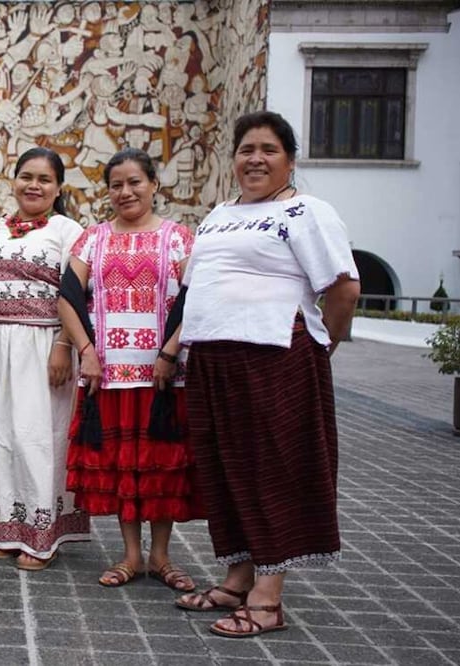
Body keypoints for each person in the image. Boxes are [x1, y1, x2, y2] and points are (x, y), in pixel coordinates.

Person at [175, 111, 360, 637]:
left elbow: (344, 289)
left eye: (269, 150)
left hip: (275, 356)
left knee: (271, 472)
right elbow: (198, 285)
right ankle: (237, 579)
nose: (255, 159)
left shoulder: (307, 211)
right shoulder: (220, 213)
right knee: (225, 470)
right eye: (246, 149)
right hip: (212, 358)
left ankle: (267, 596)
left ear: (290, 160)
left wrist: (321, 347)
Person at [58, 148, 200, 592]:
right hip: (110, 374)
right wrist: (86, 350)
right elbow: (67, 298)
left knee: (159, 466)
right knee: (125, 465)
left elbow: (196, 296)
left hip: (162, 375)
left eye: (135, 182)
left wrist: (169, 353)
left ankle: (161, 557)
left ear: (154, 184)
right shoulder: (92, 239)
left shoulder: (178, 238)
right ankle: (131, 556)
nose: (126, 192)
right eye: (116, 185)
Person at [0, 147, 90, 571]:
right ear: (13, 181)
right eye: (26, 176)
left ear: (58, 188)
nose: (34, 186)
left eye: (44, 179)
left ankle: (43, 535)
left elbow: (77, 294)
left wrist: (64, 344)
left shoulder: (69, 231)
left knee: (38, 437)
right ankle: (6, 526)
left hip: (44, 345)